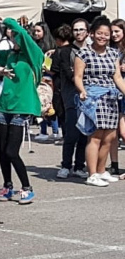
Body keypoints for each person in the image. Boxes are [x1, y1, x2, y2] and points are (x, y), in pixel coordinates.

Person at [0, 10, 42, 204]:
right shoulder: (11, 56)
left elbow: (22, 34)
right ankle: (7, 185)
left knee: (12, 152)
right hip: (5, 105)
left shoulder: (33, 55)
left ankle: (27, 187)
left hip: (22, 108)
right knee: (2, 150)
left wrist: (6, 21)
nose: (11, 38)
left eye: (13, 36)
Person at [74, 17, 125, 187]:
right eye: (99, 33)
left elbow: (117, 77)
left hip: (111, 97)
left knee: (110, 137)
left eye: (106, 34)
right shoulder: (83, 53)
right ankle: (92, 173)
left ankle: (102, 170)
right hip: (93, 97)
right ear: (92, 34)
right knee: (95, 136)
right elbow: (78, 77)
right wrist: (82, 91)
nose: (103, 37)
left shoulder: (113, 53)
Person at [52, 24, 89, 179]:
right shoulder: (64, 52)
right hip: (71, 96)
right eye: (76, 30)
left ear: (88, 32)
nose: (79, 32)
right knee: (71, 133)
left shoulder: (92, 50)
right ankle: (66, 165)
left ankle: (79, 166)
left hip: (89, 97)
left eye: (82, 29)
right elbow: (68, 73)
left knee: (84, 134)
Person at [108, 19, 125, 175]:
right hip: (114, 93)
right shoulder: (111, 49)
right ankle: (114, 164)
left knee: (123, 132)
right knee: (113, 132)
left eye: (117, 31)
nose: (113, 35)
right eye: (112, 32)